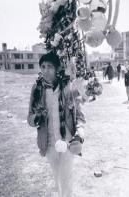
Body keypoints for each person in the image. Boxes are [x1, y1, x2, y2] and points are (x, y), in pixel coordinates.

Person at [27, 52, 86, 197]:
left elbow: (79, 115)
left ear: (57, 69)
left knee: (66, 178)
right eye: (43, 66)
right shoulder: (37, 89)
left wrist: (80, 132)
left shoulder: (68, 87)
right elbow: (29, 117)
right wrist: (37, 118)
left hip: (67, 141)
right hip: (48, 144)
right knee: (57, 178)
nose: (45, 70)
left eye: (50, 67)